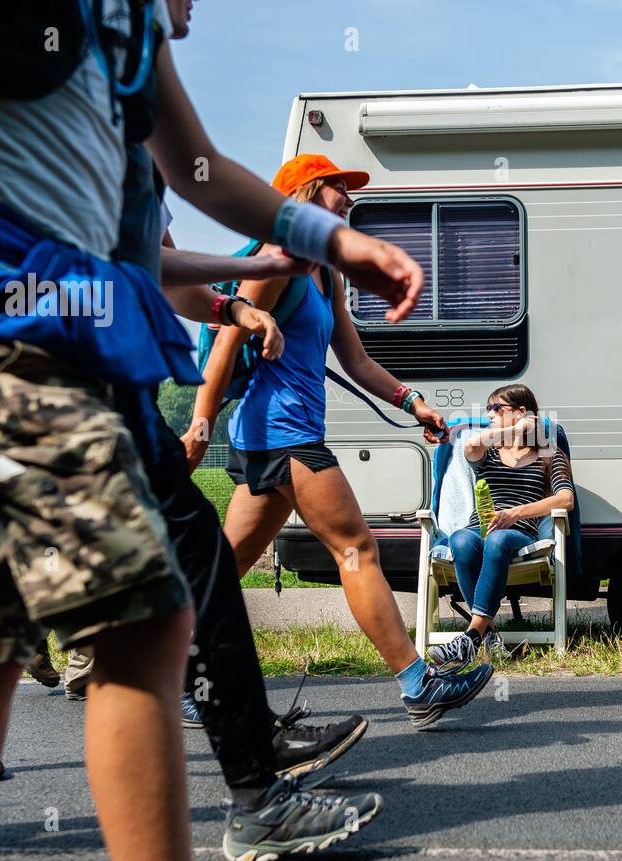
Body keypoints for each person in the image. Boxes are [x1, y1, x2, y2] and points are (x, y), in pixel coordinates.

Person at [0, 0, 422, 861]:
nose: (192, 6)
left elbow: (197, 169)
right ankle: (254, 790)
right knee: (145, 625)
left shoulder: (125, 24)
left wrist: (329, 241)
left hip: (88, 331)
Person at [188, 153, 496, 730]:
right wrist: (199, 428)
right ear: (307, 193)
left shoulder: (324, 274)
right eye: (340, 190)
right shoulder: (275, 263)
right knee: (357, 548)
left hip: (277, 437)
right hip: (283, 434)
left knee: (224, 568)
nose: (350, 201)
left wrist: (413, 402)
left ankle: (180, 675)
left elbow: (354, 359)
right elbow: (230, 339)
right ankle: (417, 683)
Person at [431, 384, 575, 670]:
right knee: (460, 540)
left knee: (496, 542)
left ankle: (471, 636)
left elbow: (566, 499)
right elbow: (470, 447)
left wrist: (514, 514)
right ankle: (487, 633)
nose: (489, 415)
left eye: (497, 409)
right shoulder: (490, 451)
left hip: (518, 531)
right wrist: (516, 430)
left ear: (523, 411)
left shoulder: (549, 454)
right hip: (478, 527)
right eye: (488, 409)